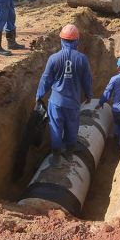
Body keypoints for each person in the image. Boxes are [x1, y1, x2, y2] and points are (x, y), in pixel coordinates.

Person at [36, 24, 93, 166]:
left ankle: (56, 156)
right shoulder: (82, 59)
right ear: (76, 41)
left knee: (55, 128)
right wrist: (89, 94)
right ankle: (69, 153)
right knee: (72, 127)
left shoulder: (54, 58)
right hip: (73, 102)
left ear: (61, 40)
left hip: (56, 101)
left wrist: (39, 95)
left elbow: (46, 79)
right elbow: (87, 79)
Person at [96, 56, 120, 149]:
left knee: (116, 124)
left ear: (118, 67)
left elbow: (107, 92)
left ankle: (115, 143)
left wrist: (101, 103)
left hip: (116, 109)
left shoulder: (114, 79)